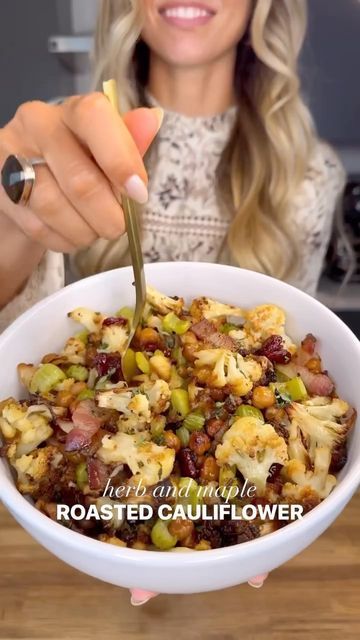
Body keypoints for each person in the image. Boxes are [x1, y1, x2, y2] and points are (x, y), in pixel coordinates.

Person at [0, 0, 345, 605]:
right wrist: (9, 218)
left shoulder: (309, 174)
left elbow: (291, 349)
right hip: (44, 578)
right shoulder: (56, 145)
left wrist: (253, 514)